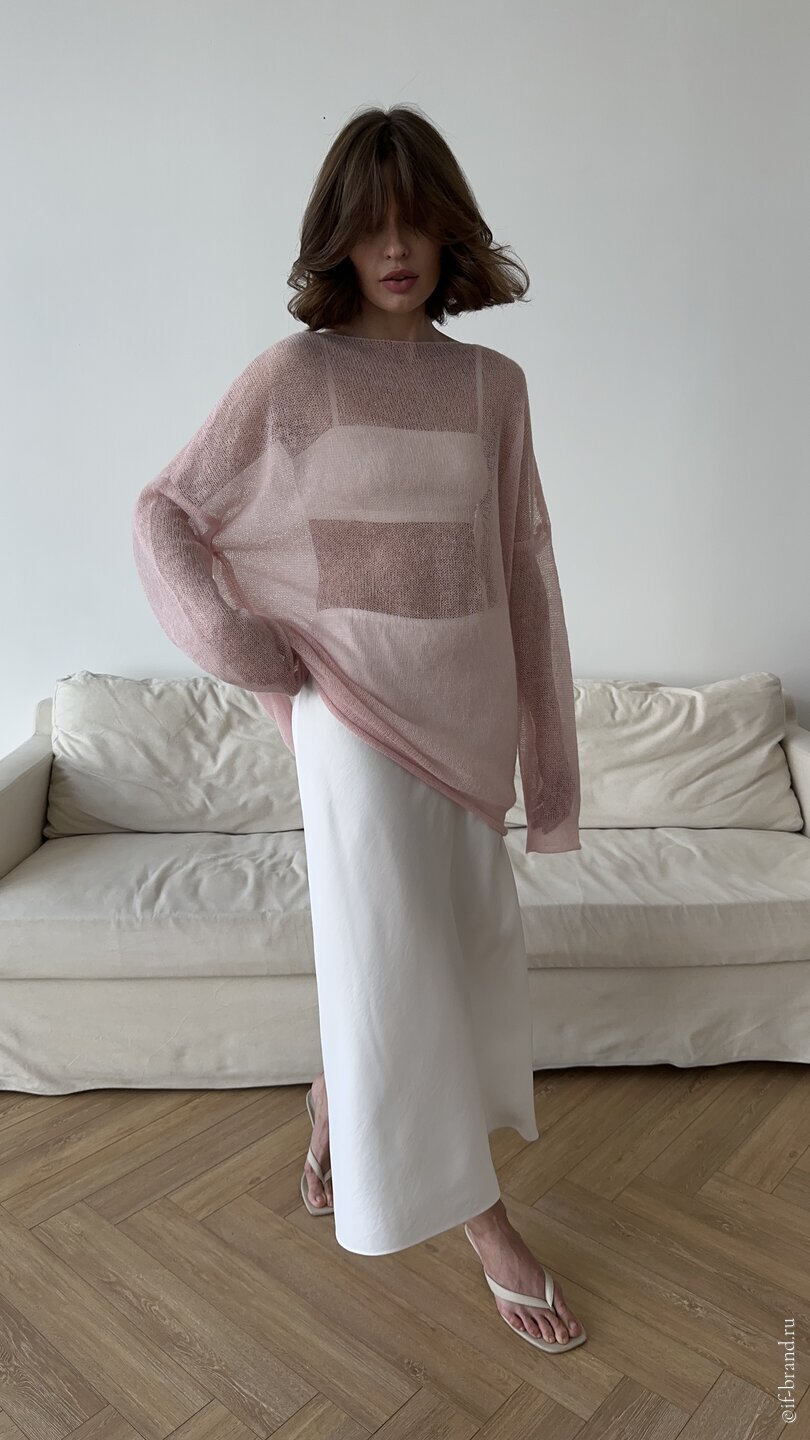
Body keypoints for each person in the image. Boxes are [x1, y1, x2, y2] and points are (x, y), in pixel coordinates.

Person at [132, 103, 585, 1353]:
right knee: (399, 972)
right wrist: (241, 645)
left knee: (446, 952)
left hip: (466, 725)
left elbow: (524, 570)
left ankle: (336, 1099)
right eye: (372, 224)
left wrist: (546, 768)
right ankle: (485, 1225)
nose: (395, 248)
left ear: (449, 235)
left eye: (417, 223)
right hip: (351, 722)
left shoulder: (494, 388)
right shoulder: (294, 380)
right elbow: (167, 511)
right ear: (337, 236)